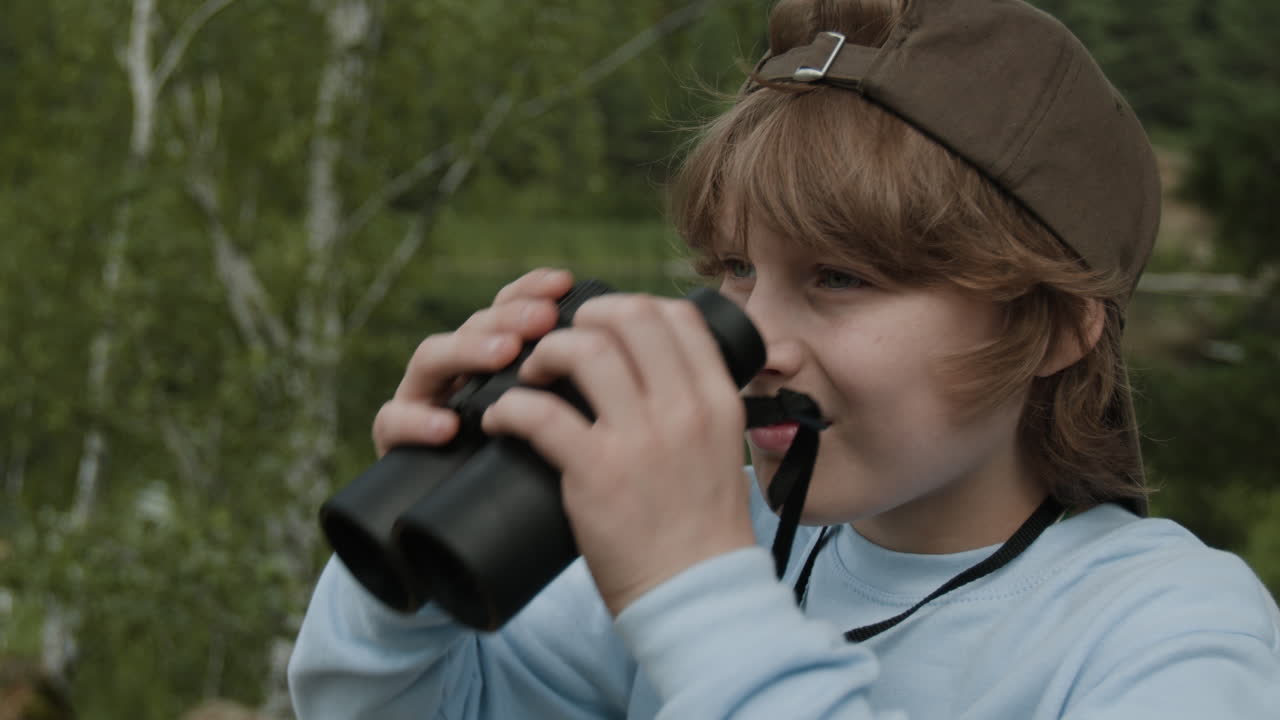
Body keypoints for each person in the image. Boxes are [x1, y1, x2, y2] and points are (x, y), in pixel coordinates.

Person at [287, 0, 1280, 717]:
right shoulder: (719, 534)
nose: (755, 342)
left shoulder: (1168, 634)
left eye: (840, 277)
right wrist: (411, 548)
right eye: (729, 271)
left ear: (1059, 326)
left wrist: (693, 596)